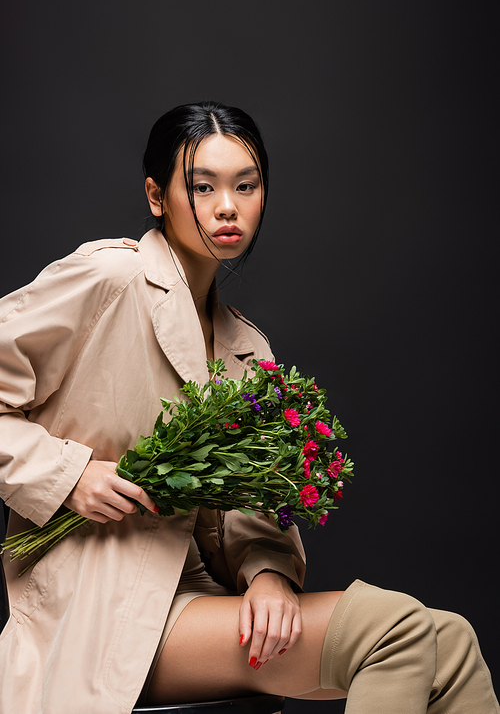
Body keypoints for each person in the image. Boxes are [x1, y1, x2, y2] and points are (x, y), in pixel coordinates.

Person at [0, 101, 498, 714]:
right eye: (202, 186)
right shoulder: (113, 278)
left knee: (451, 640)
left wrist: (267, 573)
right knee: (398, 629)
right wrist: (69, 475)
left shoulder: (245, 348)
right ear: (157, 196)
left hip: (197, 597)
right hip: (101, 603)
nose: (227, 206)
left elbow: (248, 512)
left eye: (246, 185)